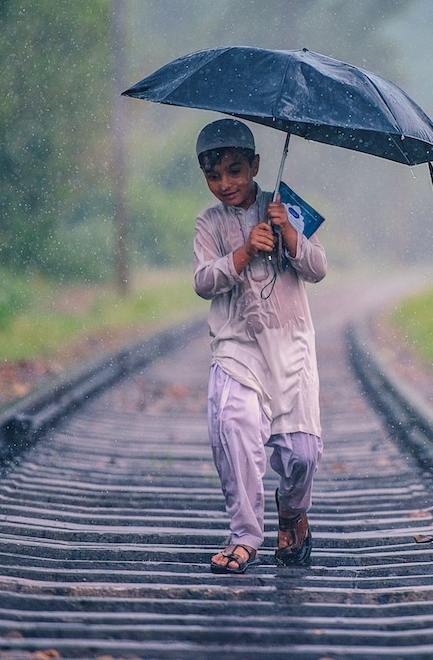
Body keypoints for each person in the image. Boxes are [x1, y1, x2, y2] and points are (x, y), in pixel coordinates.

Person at [191, 118, 327, 573]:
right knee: (235, 424)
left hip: (289, 346)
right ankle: (245, 535)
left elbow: (318, 268)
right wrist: (245, 252)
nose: (225, 184)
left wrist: (288, 234)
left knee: (301, 455)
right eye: (213, 176)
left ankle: (292, 512)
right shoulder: (208, 224)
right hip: (238, 344)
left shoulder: (282, 207)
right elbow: (203, 281)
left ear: (255, 165)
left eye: (234, 171)